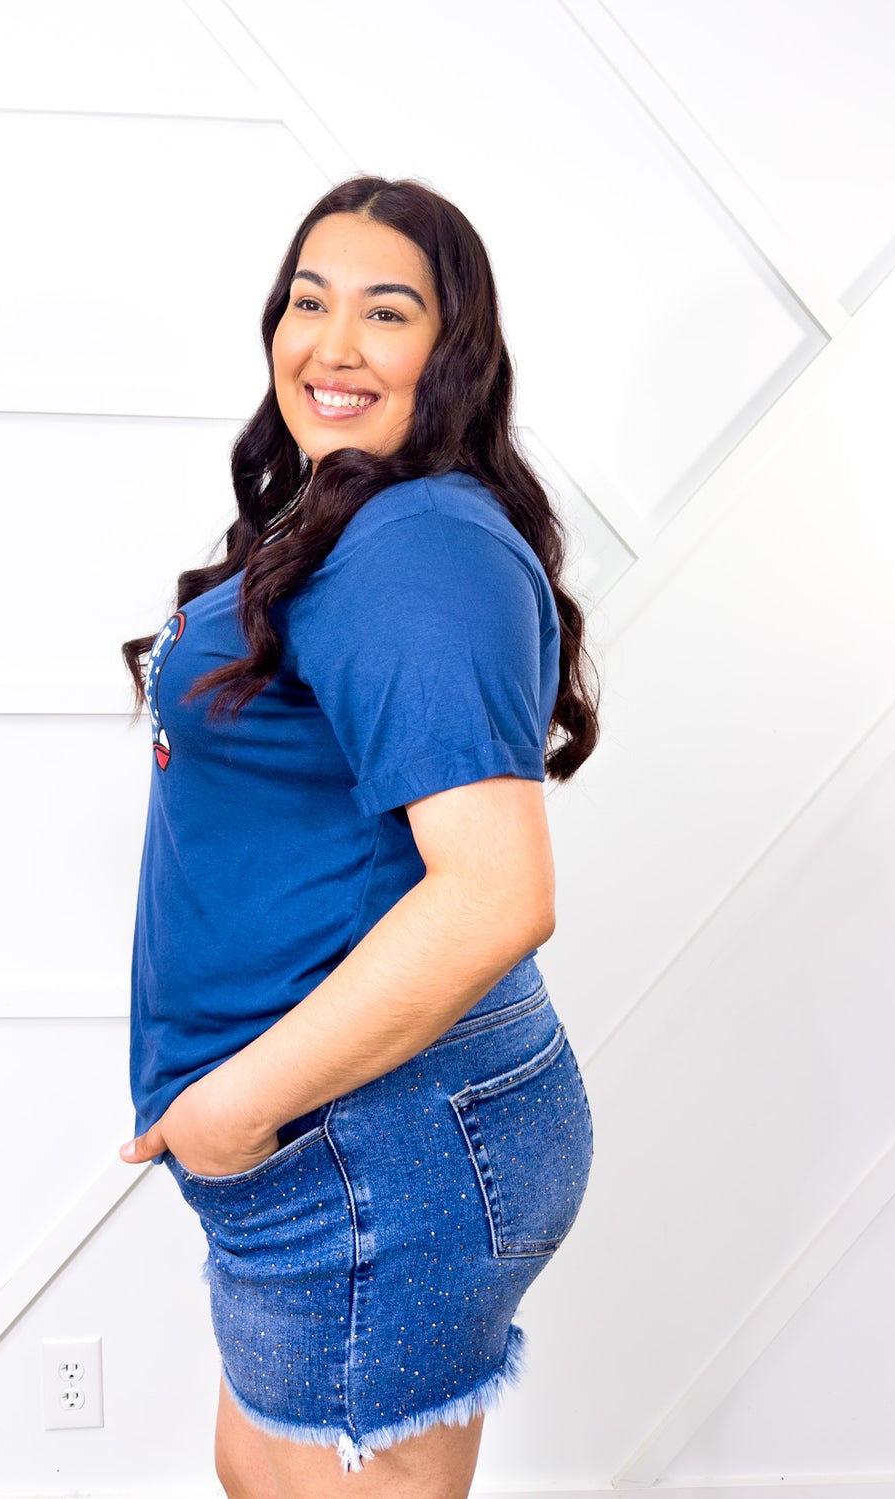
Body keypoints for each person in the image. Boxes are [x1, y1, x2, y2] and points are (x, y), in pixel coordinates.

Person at [117, 175, 600, 1496]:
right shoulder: (352, 515)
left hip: (365, 1134)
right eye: (308, 302)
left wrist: (233, 1110)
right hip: (351, 1131)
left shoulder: (418, 543)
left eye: (386, 313)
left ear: (454, 350)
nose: (332, 345)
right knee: (265, 1468)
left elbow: (496, 893)